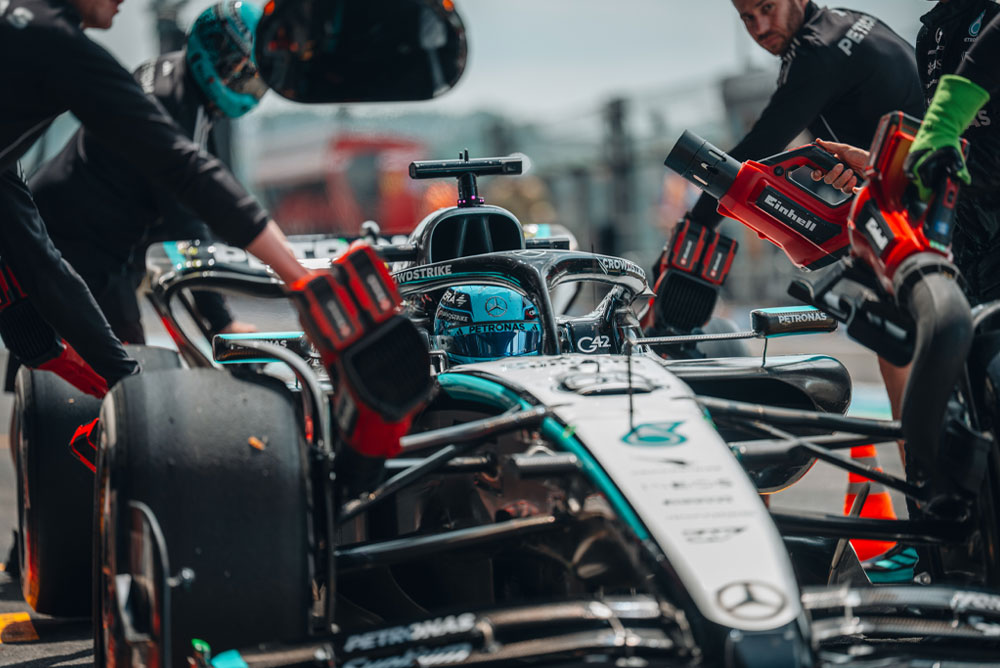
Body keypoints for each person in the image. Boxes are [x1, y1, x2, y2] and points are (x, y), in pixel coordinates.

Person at [0, 0, 309, 396]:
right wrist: (234, 314)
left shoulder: (162, 75)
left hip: (67, 237)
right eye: (244, 75)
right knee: (134, 399)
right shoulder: (58, 42)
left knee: (95, 374)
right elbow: (187, 198)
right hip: (90, 253)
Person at [649, 0, 925, 340]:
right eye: (748, 18)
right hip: (928, 192)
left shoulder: (816, 52)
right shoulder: (846, 22)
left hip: (923, 209)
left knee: (898, 339)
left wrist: (692, 231)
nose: (760, 28)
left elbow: (758, 149)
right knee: (908, 336)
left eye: (767, 8)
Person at [23, 1, 261, 357]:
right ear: (218, 59)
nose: (249, 84)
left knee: (45, 363)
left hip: (61, 226)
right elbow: (187, 223)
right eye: (241, 72)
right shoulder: (177, 107)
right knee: (132, 377)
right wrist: (222, 322)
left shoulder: (171, 75)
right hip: (82, 245)